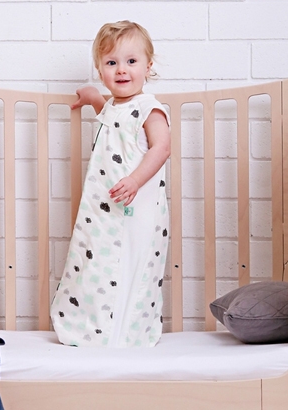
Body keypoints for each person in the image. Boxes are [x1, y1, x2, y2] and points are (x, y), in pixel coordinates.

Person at [50, 20, 171, 348]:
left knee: (131, 265)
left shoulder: (149, 108)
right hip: (105, 212)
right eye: (111, 62)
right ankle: (98, 331)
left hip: (136, 209)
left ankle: (127, 334)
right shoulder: (115, 107)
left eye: (131, 61)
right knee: (100, 267)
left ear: (148, 66)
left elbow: (161, 148)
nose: (121, 70)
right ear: (100, 69)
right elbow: (113, 118)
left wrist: (134, 180)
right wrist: (92, 97)